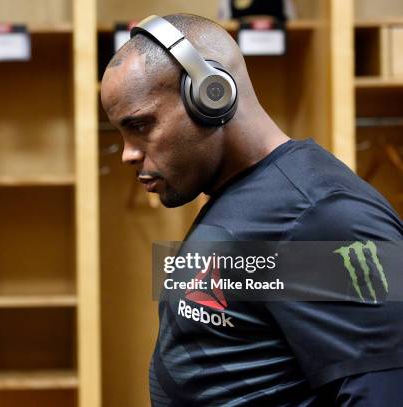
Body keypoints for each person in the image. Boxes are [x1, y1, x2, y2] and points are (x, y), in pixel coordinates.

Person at [100, 13, 403, 406]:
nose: (127, 154)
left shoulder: (323, 217)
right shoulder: (245, 196)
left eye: (140, 126)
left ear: (211, 94)